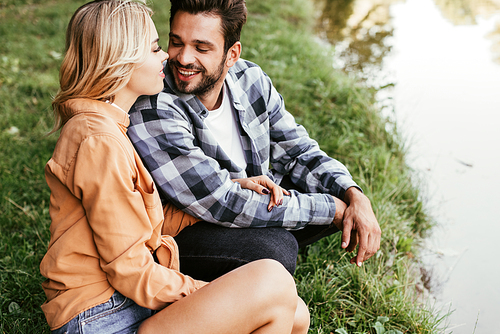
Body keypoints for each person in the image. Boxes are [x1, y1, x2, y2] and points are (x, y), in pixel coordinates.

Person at [40, 1, 310, 333]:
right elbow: (129, 270)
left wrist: (231, 187)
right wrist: (203, 291)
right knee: (271, 282)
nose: (167, 56)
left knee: (295, 312)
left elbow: (140, 223)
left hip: (123, 304)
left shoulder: (110, 130)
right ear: (121, 60)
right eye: (155, 47)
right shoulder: (99, 141)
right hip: (100, 317)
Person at [128, 0, 382, 282]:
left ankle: (258, 252)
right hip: (188, 227)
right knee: (277, 250)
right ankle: (252, 265)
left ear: (231, 54)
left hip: (247, 194)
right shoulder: (154, 106)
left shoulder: (250, 78)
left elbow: (298, 151)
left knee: (338, 193)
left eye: (201, 48)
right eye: (176, 42)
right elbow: (222, 201)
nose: (184, 58)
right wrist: (331, 209)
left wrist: (354, 196)